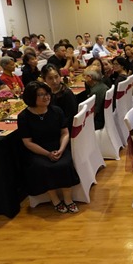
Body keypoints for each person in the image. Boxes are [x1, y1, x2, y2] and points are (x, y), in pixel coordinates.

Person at [17, 81, 80, 213]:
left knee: (64, 164)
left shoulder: (56, 111)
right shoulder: (23, 117)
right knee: (44, 166)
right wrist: (47, 154)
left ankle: (68, 199)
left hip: (58, 146)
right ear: (31, 97)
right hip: (38, 150)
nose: (46, 97)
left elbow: (65, 133)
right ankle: (55, 199)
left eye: (47, 94)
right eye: (41, 95)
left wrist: (61, 149)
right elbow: (28, 142)